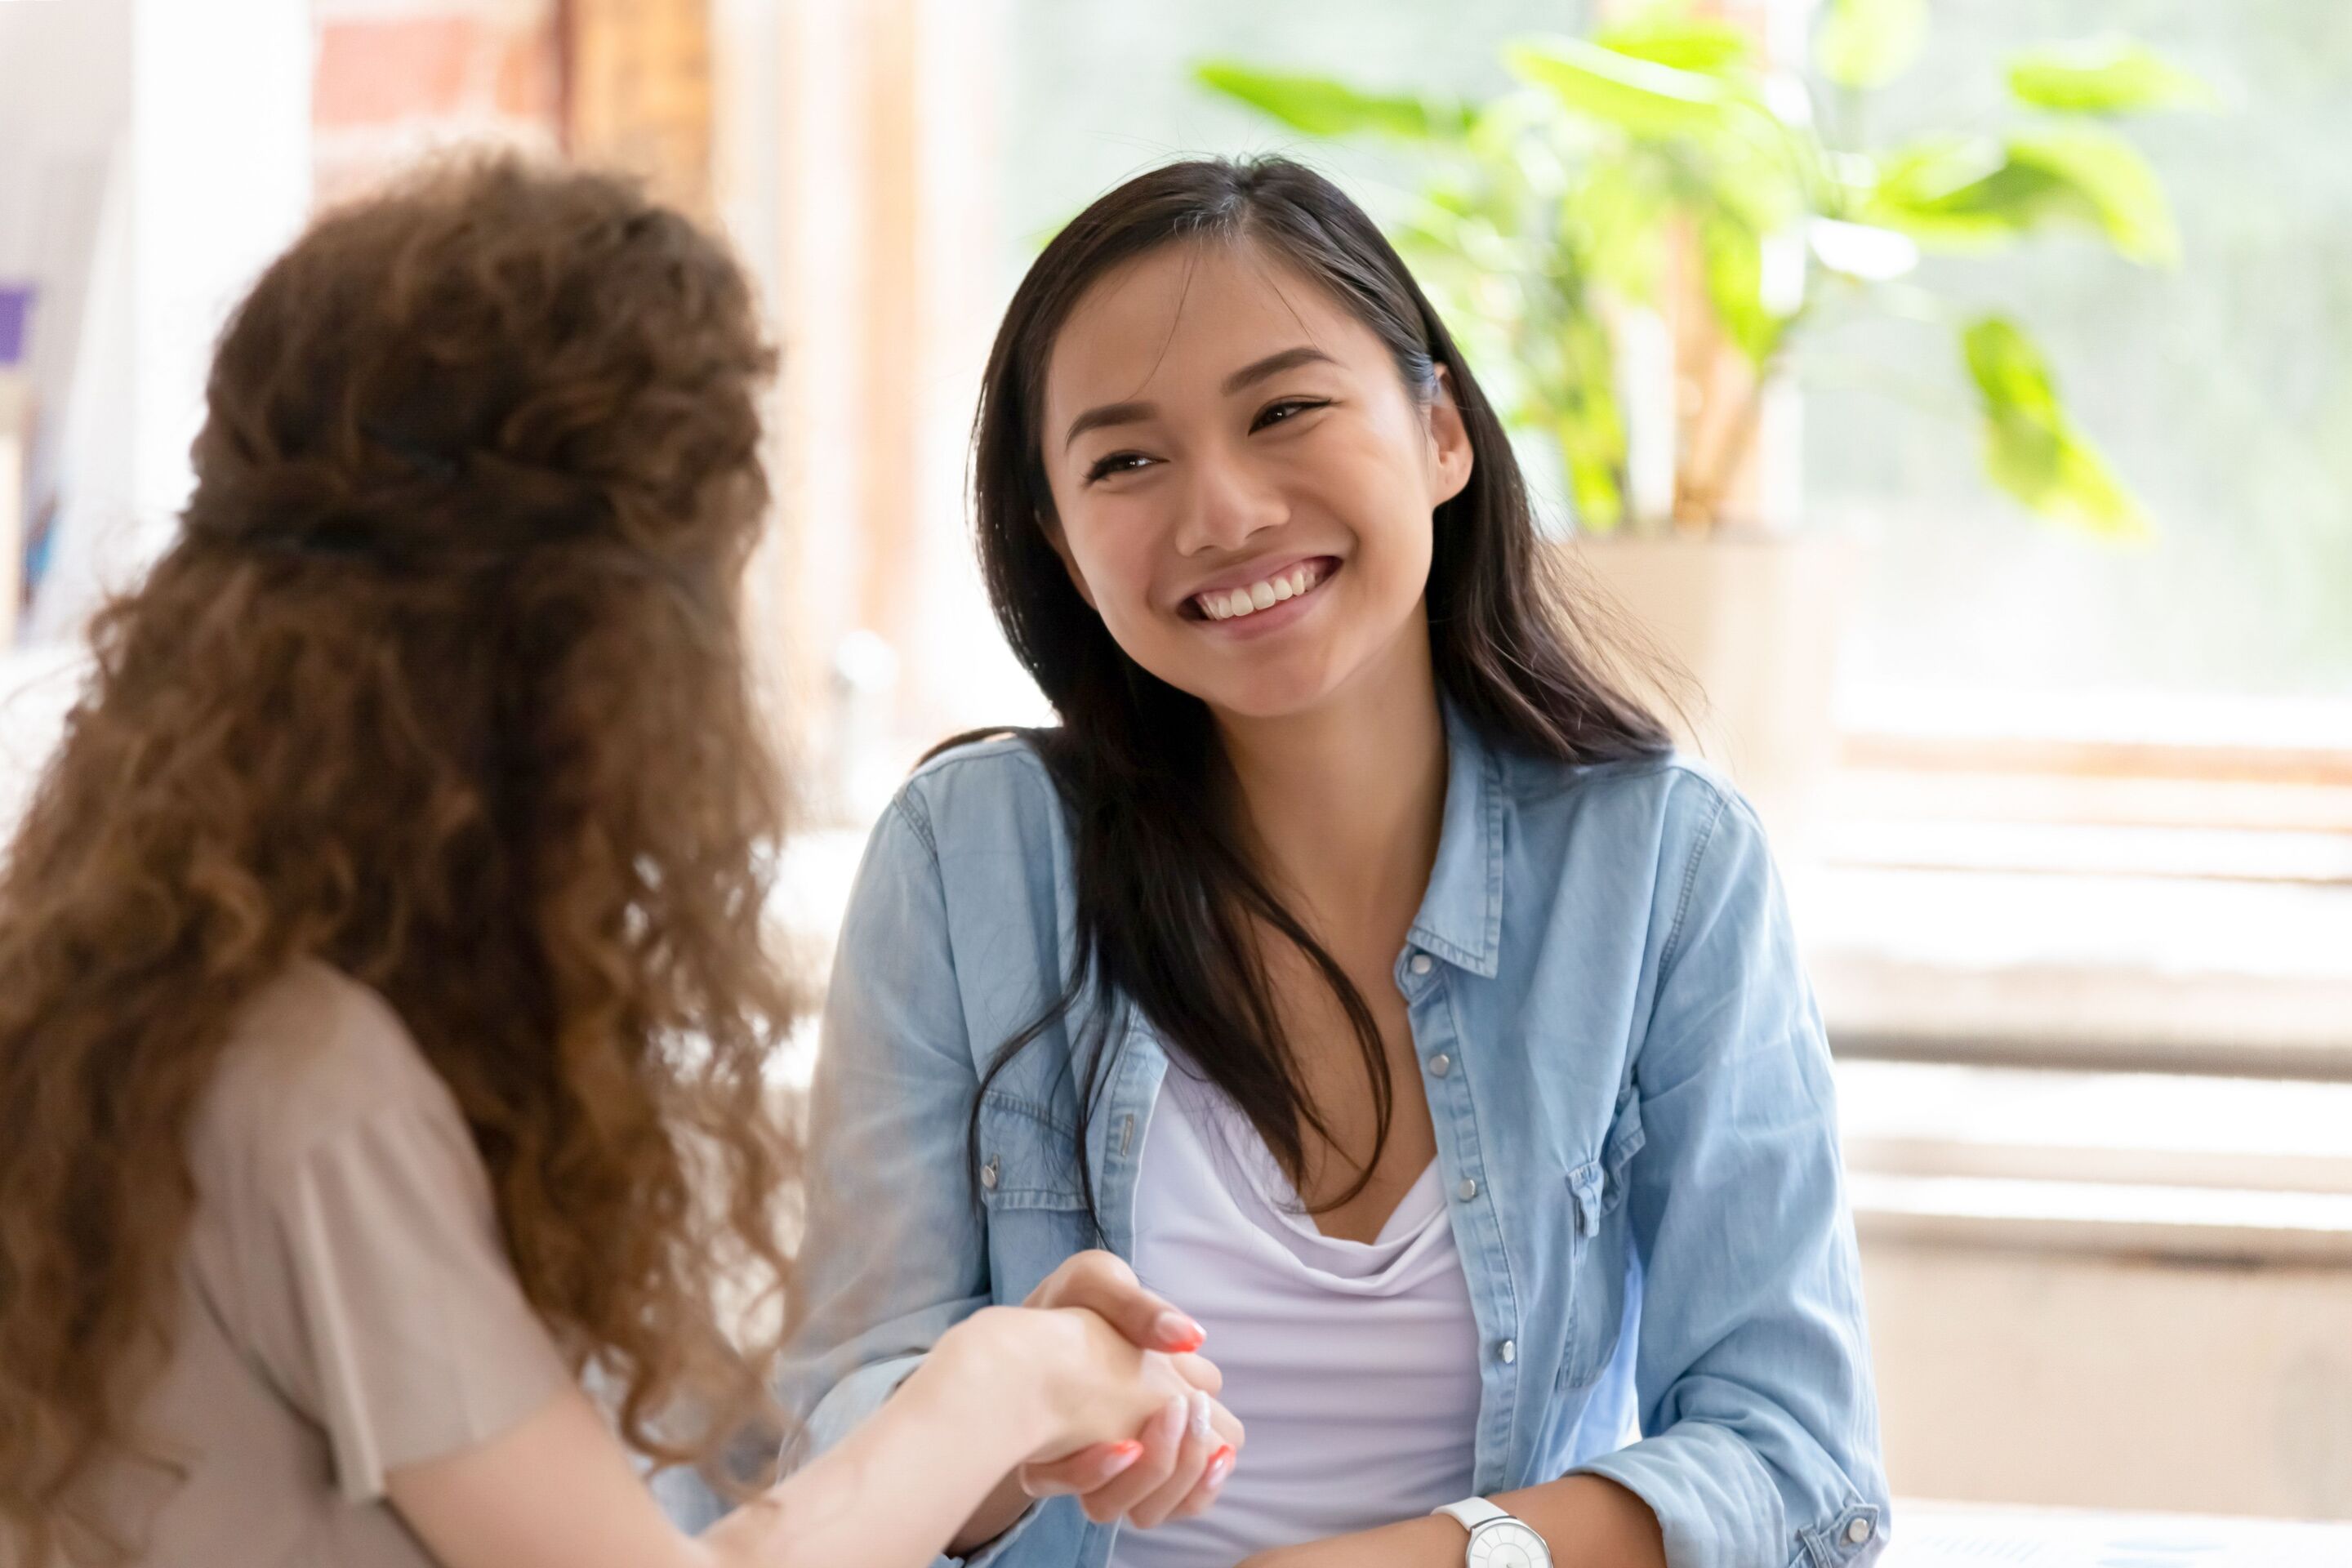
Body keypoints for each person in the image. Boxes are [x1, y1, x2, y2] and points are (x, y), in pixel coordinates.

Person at [0, 155, 1231, 1568]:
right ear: (596, 636)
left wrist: (1010, 1387)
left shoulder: (161, 1009)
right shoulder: (311, 1092)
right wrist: (1002, 1381)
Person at [781, 156, 1891, 1568]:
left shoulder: (1665, 863)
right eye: (1127, 459)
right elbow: (835, 1433)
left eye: (1287, 409)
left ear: (1439, 432)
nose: (1223, 512)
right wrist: (1000, 1426)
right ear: (1058, 540)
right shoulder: (970, 857)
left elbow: (1800, 1465)